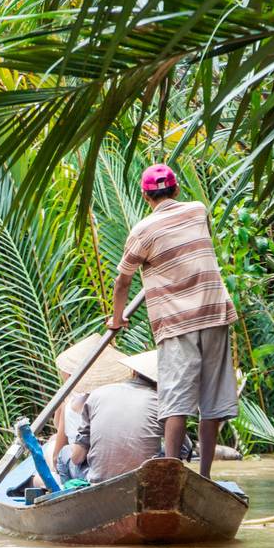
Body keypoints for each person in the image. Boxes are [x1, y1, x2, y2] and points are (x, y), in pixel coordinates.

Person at [106, 164, 238, 479]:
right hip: (215, 313)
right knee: (212, 402)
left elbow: (122, 281)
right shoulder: (198, 211)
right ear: (176, 190)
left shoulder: (142, 231)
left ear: (145, 196)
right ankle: (204, 476)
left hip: (177, 323)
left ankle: (171, 475)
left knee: (176, 401)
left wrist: (116, 318)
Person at [33, 338, 168, 488]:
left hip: (98, 476)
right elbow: (181, 450)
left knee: (64, 453)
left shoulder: (93, 397)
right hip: (141, 479)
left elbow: (76, 458)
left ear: (134, 372)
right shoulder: (161, 403)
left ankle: (71, 493)